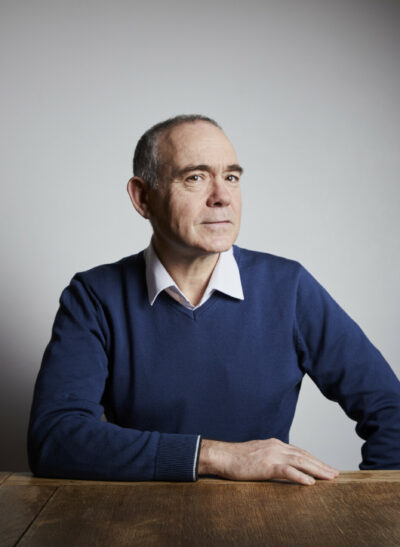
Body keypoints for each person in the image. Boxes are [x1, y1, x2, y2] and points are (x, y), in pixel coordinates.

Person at [28, 114, 400, 485]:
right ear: (143, 198)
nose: (222, 197)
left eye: (231, 177)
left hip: (268, 519)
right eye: (195, 177)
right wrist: (215, 456)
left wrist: (370, 506)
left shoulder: (289, 287)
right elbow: (55, 439)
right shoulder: (94, 296)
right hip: (137, 517)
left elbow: (391, 413)